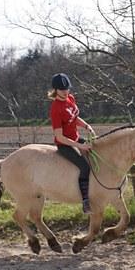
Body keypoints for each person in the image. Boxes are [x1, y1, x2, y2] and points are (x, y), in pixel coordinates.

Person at [48, 73, 95, 214]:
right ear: (56, 90)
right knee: (85, 167)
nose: (66, 91)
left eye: (67, 88)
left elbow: (74, 117)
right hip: (65, 144)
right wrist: (80, 146)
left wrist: (86, 126)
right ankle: (86, 201)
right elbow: (59, 136)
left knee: (96, 153)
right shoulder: (56, 109)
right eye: (62, 90)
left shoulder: (70, 98)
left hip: (76, 138)